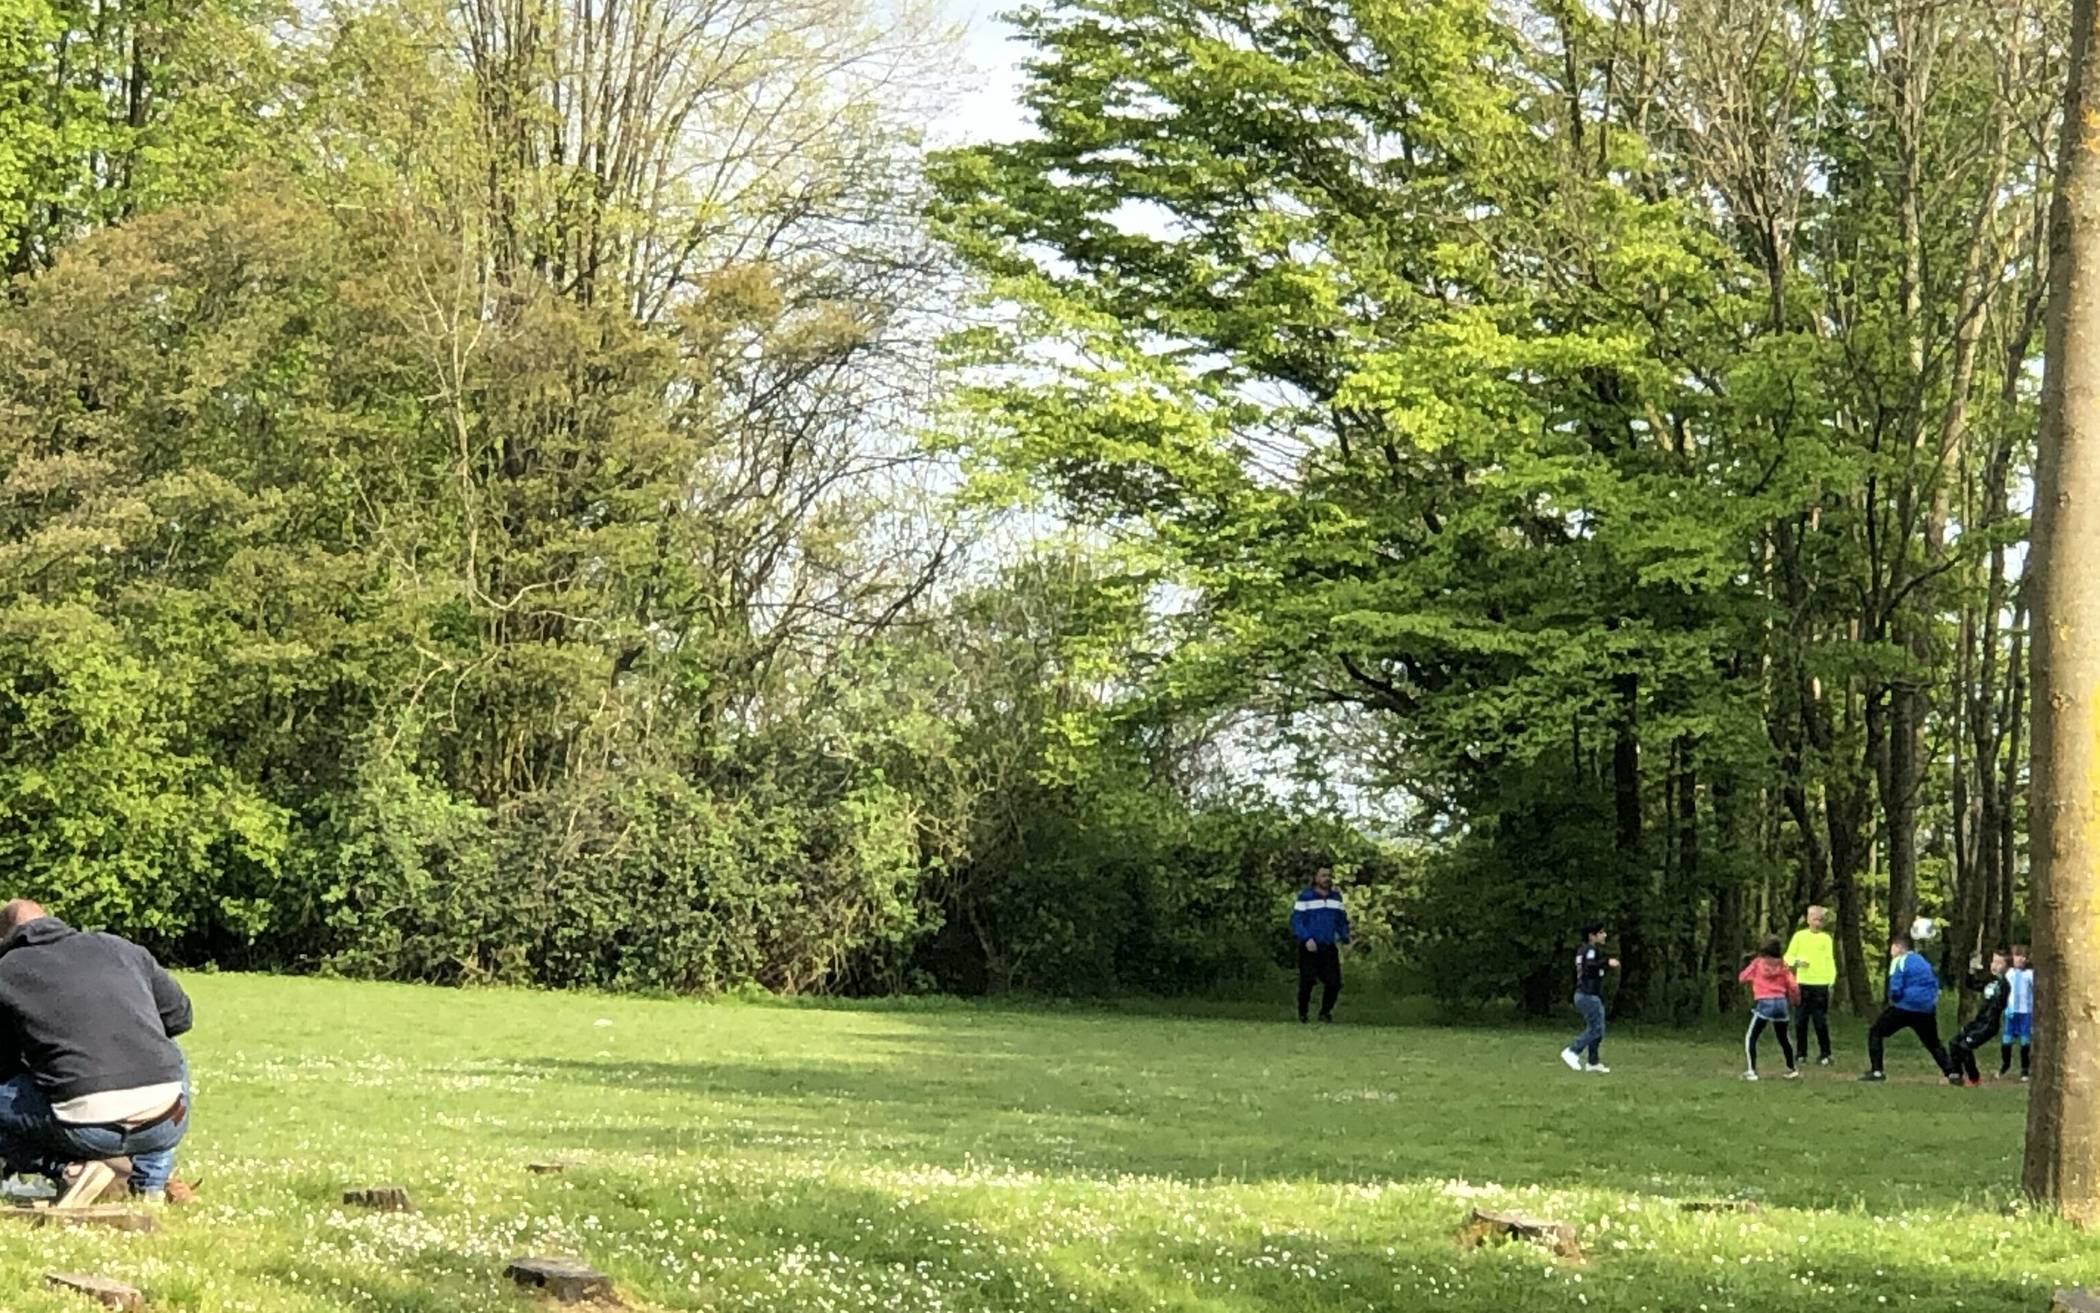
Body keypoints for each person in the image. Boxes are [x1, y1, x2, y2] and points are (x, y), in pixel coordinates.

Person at [0, 901, 192, 1206]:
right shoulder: (121, 948)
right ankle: (151, 1184)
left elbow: (6, 1064)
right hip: (164, 1122)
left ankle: (72, 1170)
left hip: (85, 1125)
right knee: (170, 1053)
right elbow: (180, 1018)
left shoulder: (7, 969)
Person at [1860, 932, 1950, 1082]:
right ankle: (1951, 1072)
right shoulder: (1922, 961)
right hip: (1925, 1009)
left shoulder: (1899, 961)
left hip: (1904, 1006)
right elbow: (1933, 982)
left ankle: (1877, 1071)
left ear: (1898, 947)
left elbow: (1896, 987)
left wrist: (1895, 999)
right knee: (1933, 1042)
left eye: (1892, 948)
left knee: (1876, 1032)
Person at [1290, 866, 1349, 1024]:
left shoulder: (1336, 898)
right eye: (1323, 875)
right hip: (1309, 946)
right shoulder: (1306, 897)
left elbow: (1341, 921)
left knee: (1334, 982)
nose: (1327, 878)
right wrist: (1306, 938)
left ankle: (1325, 1012)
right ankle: (1303, 1013)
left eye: (1329, 875)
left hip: (1327, 946)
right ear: (1316, 878)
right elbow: (1297, 921)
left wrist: (1345, 937)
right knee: (1307, 981)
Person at [1738, 935, 1802, 1081]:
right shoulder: (1783, 965)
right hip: (1781, 1003)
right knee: (1783, 1037)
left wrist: (1745, 964)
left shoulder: (1758, 963)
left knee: (1751, 1037)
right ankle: (1791, 1069)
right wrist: (1795, 999)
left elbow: (1742, 977)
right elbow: (1793, 985)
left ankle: (1751, 1071)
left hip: (1764, 1002)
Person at [1560, 921, 1619, 1074]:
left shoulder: (1582, 950)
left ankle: (1593, 1062)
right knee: (1596, 1029)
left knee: (1598, 1029)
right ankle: (1572, 1051)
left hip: (1585, 995)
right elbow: (1591, 966)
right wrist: (1607, 962)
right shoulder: (1591, 950)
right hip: (1587, 995)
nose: (1604, 935)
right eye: (1601, 933)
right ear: (1592, 936)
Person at [1949, 950, 2011, 1088]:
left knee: (1965, 1046)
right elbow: (1972, 985)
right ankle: (1956, 1074)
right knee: (1954, 1042)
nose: (1994, 965)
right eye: (1993, 962)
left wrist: (1997, 985)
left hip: (1988, 1025)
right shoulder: (1990, 981)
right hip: (1979, 1021)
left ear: (2006, 967)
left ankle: (1974, 1078)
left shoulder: (2004, 985)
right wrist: (1971, 970)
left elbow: (2000, 1004)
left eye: (1999, 963)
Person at [1783, 905, 1837, 1066]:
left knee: (1820, 1021)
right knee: (1800, 1020)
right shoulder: (1799, 937)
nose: (1817, 922)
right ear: (1808, 919)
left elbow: (1829, 960)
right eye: (1814, 918)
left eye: (1820, 919)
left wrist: (1831, 981)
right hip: (1803, 984)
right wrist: (1797, 962)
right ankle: (1801, 1053)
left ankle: (1825, 1053)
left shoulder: (1826, 939)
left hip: (1821, 984)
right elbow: (1788, 957)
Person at [2001, 944, 2034, 1081]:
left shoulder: (2030, 975)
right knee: (2006, 1040)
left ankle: (2024, 1070)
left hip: (2025, 1011)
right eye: (2017, 956)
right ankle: (2005, 1064)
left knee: (2024, 1041)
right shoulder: (2009, 974)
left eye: (2022, 957)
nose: (2019, 960)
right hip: (2011, 1011)